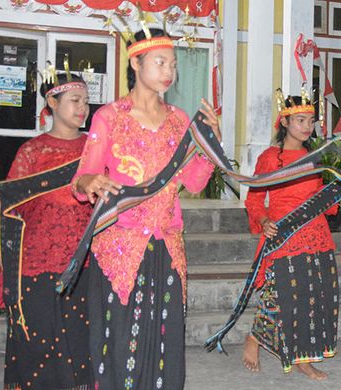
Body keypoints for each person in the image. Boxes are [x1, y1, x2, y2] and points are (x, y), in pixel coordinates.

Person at [71, 28, 220, 389]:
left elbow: (196, 182)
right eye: (160, 62)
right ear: (136, 63)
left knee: (165, 339)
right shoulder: (110, 117)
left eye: (173, 63)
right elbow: (82, 178)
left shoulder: (179, 120)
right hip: (119, 247)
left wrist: (211, 142)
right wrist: (89, 183)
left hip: (167, 245)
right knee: (119, 340)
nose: (169, 71)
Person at [0, 73, 94, 389]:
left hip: (81, 263)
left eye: (86, 102)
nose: (83, 109)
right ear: (52, 102)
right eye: (75, 101)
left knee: (77, 343)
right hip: (36, 263)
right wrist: (1, 198)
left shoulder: (93, 149)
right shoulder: (32, 152)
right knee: (38, 344)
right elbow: (14, 205)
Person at [242, 94, 339, 380]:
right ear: (284, 122)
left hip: (315, 231)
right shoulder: (270, 158)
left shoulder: (316, 158)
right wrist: (264, 220)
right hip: (284, 232)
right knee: (280, 293)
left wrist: (338, 193)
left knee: (312, 296)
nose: (307, 126)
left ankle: (303, 358)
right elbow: (255, 198)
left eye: (310, 121)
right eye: (300, 120)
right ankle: (255, 339)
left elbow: (320, 196)